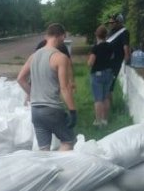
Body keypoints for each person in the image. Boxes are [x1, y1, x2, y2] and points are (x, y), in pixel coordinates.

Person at [16, 23, 76, 151]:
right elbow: (65, 88)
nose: (63, 42)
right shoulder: (60, 57)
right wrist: (72, 111)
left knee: (44, 150)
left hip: (36, 111)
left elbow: (20, 79)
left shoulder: (33, 56)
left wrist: (32, 95)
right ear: (59, 36)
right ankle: (61, 169)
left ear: (47, 36)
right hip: (52, 109)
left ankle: (48, 170)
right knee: (68, 141)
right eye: (63, 38)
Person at [87, 25, 114, 126]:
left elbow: (90, 63)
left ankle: (98, 122)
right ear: (106, 35)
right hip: (108, 73)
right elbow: (112, 57)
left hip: (97, 74)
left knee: (98, 99)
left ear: (96, 35)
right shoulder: (110, 46)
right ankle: (105, 120)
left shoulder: (96, 48)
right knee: (106, 97)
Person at [106, 13, 130, 104]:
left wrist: (127, 59)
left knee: (109, 85)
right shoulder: (111, 32)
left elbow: (125, 46)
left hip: (114, 62)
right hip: (107, 61)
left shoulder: (124, 32)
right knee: (107, 85)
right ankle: (108, 106)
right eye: (110, 22)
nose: (110, 24)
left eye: (113, 22)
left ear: (119, 22)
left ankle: (109, 107)